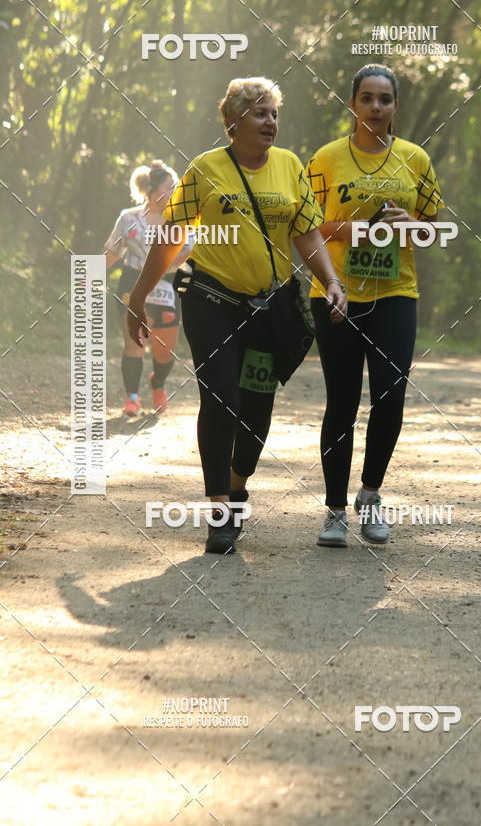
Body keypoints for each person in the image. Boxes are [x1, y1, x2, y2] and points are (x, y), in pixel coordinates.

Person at [126, 77, 346, 554]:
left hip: (268, 309)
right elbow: (169, 237)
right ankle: (220, 511)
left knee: (257, 412)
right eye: (261, 113)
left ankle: (238, 482)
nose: (271, 122)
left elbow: (307, 234)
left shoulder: (289, 167)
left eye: (274, 114)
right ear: (234, 122)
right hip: (212, 302)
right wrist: (138, 296)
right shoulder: (205, 170)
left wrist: (330, 280)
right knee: (222, 397)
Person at [306, 63, 445, 548]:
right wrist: (347, 230)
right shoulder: (325, 159)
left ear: (395, 106)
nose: (375, 107)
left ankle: (370, 494)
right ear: (353, 103)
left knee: (390, 395)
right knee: (341, 400)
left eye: (384, 99)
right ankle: (334, 511)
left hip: (395, 294)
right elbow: (305, 229)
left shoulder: (416, 159)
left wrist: (410, 222)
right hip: (336, 292)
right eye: (366, 98)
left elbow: (432, 230)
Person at [104, 160, 191, 416]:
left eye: (177, 188)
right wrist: (89, 275)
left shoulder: (182, 219)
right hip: (132, 282)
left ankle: (158, 382)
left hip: (166, 284)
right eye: (170, 187)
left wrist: (161, 264)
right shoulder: (129, 218)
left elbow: (187, 252)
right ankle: (131, 397)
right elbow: (112, 251)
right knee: (135, 344)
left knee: (166, 352)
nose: (176, 192)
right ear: (153, 191)